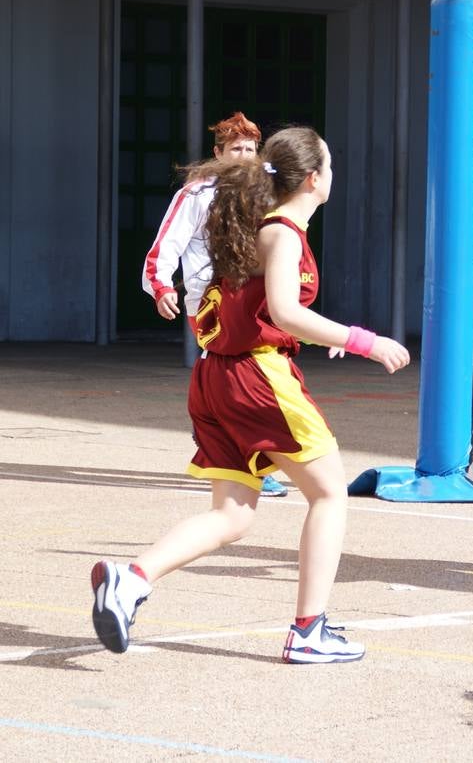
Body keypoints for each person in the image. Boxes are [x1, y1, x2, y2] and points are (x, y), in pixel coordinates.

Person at [92, 126, 411, 661]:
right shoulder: (284, 231)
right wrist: (363, 341)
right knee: (330, 493)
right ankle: (309, 632)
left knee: (234, 516)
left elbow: (270, 311)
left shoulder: (258, 225)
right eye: (329, 165)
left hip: (217, 377)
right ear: (314, 179)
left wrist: (312, 333)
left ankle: (131, 579)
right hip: (257, 379)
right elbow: (286, 311)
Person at [142, 111, 288, 498]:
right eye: (236, 148)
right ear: (217, 153)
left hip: (257, 298)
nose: (243, 155)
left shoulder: (266, 191)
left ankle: (232, 452)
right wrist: (161, 288)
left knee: (244, 377)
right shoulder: (196, 194)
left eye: (250, 148)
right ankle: (245, 458)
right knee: (239, 378)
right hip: (210, 300)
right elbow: (165, 246)